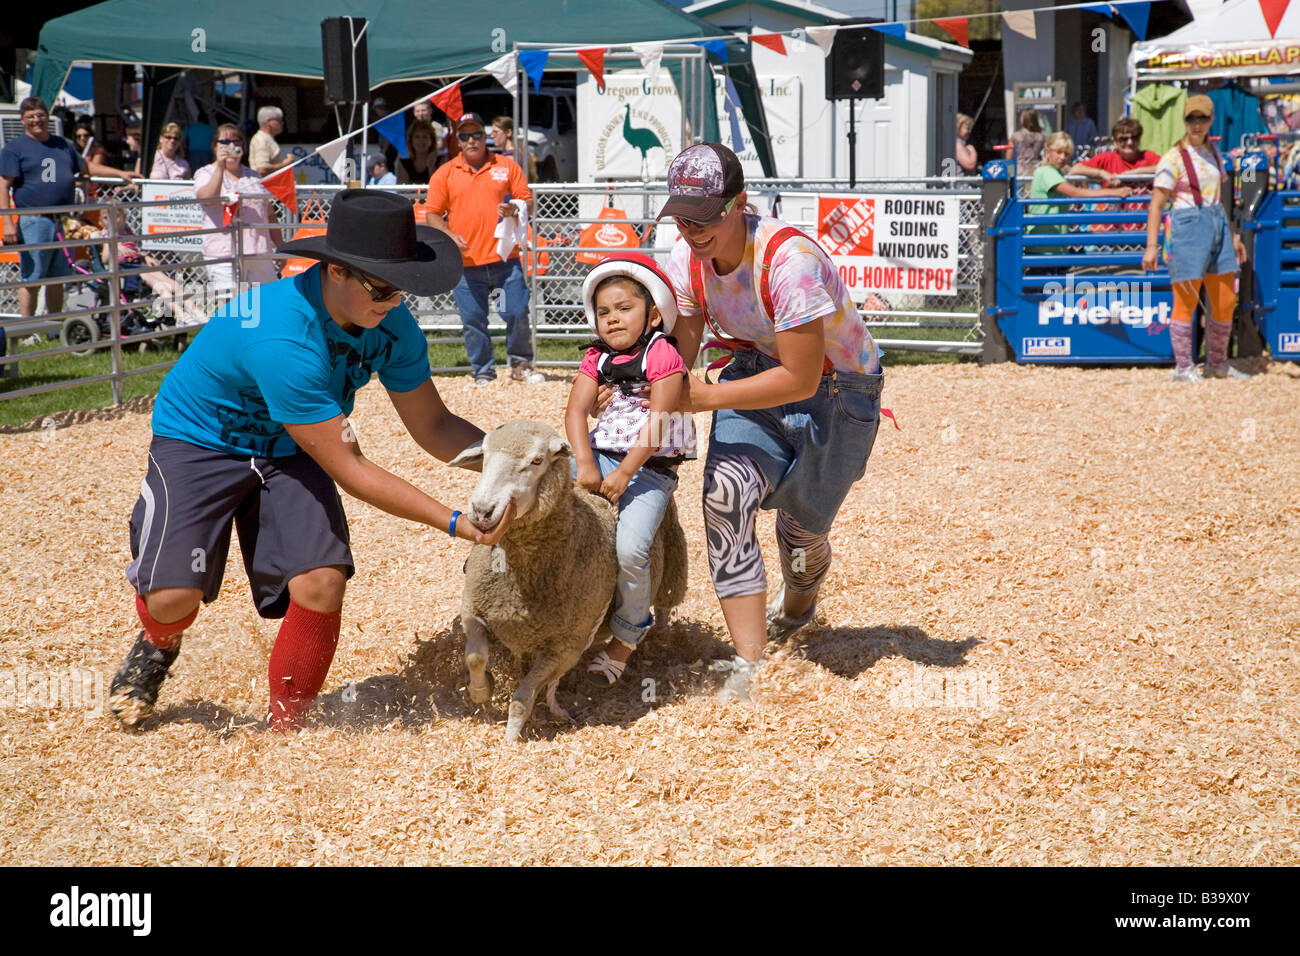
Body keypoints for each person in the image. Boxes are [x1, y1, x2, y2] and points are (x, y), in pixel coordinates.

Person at [107, 189, 515, 732]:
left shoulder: (389, 322)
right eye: (383, 287)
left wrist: (518, 467)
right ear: (338, 271)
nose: (394, 302)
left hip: (291, 448)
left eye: (403, 290)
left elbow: (434, 426)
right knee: (173, 598)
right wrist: (455, 523)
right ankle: (158, 644)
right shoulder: (281, 333)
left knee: (322, 581)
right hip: (202, 440)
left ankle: (286, 732)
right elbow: (350, 467)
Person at [656, 143, 885, 702]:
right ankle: (749, 664)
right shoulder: (687, 258)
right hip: (752, 375)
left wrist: (702, 397)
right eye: (682, 216)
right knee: (724, 496)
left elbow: (802, 378)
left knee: (801, 530)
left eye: (704, 216)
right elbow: (685, 339)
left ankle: (800, 603)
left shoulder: (788, 261)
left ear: (738, 203)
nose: (692, 228)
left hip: (838, 391)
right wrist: (654, 391)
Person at [565, 253, 694, 686]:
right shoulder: (597, 357)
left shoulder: (663, 354)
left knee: (632, 550)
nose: (613, 319)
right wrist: (584, 461)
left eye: (624, 309)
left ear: (653, 315)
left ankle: (626, 636)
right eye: (604, 312)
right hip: (601, 452)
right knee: (536, 484)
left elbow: (660, 420)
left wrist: (623, 475)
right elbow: (575, 411)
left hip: (648, 467)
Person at [0, 97, 139, 377]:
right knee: (33, 275)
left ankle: (53, 325)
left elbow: (86, 168)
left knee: (59, 276)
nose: (36, 120)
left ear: (46, 116)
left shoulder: (62, 145)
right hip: (33, 219)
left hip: (64, 219)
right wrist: (7, 222)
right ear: (23, 120)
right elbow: (4, 184)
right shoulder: (15, 149)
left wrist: (120, 173)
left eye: (40, 115)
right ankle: (28, 329)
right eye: (31, 117)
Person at [425, 112, 543, 385]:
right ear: (458, 140)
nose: (471, 140)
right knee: (473, 320)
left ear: (485, 136)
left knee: (515, 311)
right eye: (464, 136)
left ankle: (521, 364)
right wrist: (448, 233)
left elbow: (528, 201)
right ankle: (483, 370)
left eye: (476, 134)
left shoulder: (506, 166)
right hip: (465, 264)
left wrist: (514, 208)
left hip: (504, 259)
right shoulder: (446, 173)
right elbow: (432, 213)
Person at [1143, 95, 1250, 382]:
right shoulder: (1173, 158)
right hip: (1186, 225)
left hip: (1217, 223)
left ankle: (1217, 363)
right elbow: (1156, 204)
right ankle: (1183, 368)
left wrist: (1233, 235)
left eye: (1202, 118)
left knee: (1226, 298)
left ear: (1211, 120)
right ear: (1184, 121)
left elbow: (1221, 200)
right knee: (1186, 298)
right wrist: (1151, 246)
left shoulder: (1215, 154)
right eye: (1191, 119)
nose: (1197, 124)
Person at [193, 122, 283, 293]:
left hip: (259, 252)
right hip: (224, 253)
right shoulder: (205, 173)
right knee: (231, 307)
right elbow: (208, 199)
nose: (231, 146)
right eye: (225, 142)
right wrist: (220, 165)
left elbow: (270, 214)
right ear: (215, 146)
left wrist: (280, 247)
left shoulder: (254, 176)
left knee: (265, 303)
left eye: (237, 142)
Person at [1026, 132, 1131, 253]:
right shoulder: (1047, 172)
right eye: (1058, 152)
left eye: (1066, 154)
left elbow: (1077, 169)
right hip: (1045, 246)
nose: (1062, 158)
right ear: (1047, 152)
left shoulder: (1055, 172)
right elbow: (1075, 193)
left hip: (1052, 243)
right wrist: (1114, 193)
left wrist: (1101, 173)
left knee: (1062, 271)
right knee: (1050, 271)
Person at [248, 106, 294, 177]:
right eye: (279, 120)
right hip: (264, 186)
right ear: (269, 122)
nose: (282, 123)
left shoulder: (267, 138)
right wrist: (285, 164)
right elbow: (261, 169)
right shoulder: (261, 140)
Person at [396, 120, 438, 185]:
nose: (421, 141)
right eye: (417, 137)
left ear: (431, 141)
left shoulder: (441, 161)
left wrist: (431, 165)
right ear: (411, 140)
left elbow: (438, 187)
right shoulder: (403, 164)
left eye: (425, 137)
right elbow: (401, 191)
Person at [1011, 108, 1046, 181]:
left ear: (1024, 119)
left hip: (1019, 171)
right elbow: (1047, 154)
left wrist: (1010, 174)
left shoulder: (1015, 136)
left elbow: (1009, 157)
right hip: (1036, 170)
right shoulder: (1041, 137)